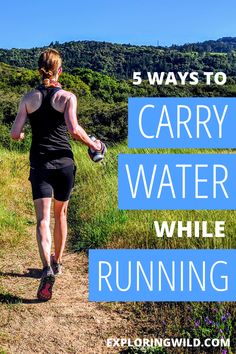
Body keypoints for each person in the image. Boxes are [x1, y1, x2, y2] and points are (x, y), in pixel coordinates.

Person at [10, 48, 102, 301]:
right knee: (61, 214)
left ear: (39, 69)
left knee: (42, 219)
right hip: (63, 164)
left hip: (39, 165)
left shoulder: (28, 99)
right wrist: (93, 145)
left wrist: (24, 135)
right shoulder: (67, 97)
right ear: (59, 70)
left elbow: (15, 134)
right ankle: (57, 261)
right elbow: (74, 129)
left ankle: (46, 268)